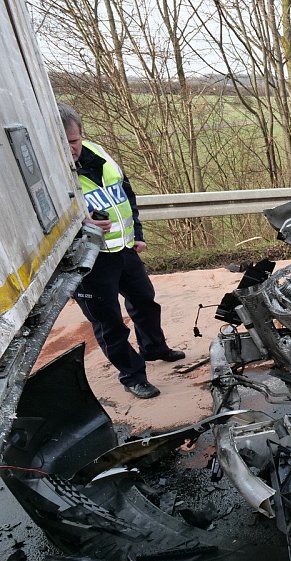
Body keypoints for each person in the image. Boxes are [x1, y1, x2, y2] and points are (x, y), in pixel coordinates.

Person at [59, 102, 184, 399]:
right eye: (63, 144)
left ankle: (154, 348)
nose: (70, 149)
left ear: (82, 134)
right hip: (88, 260)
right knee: (109, 322)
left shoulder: (99, 153)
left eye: (74, 141)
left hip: (124, 249)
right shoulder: (51, 174)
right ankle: (132, 376)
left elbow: (126, 194)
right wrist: (80, 224)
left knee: (145, 302)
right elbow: (45, 224)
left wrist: (137, 233)